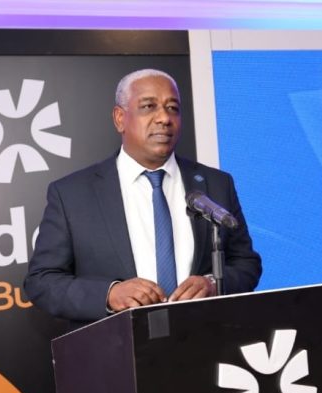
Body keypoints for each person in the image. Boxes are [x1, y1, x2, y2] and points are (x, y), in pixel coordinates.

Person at [24, 69, 262, 325]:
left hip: (204, 338)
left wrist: (214, 284)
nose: (164, 118)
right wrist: (109, 294)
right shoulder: (71, 194)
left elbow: (246, 263)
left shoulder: (216, 184)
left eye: (173, 108)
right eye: (149, 106)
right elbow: (42, 281)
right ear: (120, 118)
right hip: (117, 344)